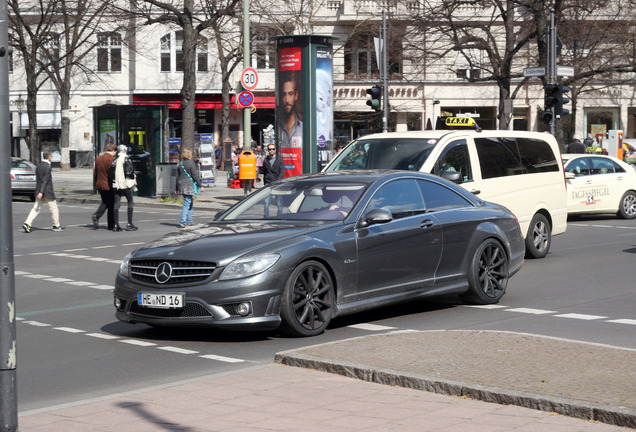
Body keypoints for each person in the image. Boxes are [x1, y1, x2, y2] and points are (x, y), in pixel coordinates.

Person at [22, 150, 64, 233]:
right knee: (54, 209)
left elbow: (39, 180)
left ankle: (27, 223)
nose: (51, 157)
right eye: (51, 156)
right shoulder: (48, 166)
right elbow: (45, 180)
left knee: (36, 208)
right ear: (48, 157)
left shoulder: (39, 165)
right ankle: (56, 225)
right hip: (47, 191)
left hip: (39, 190)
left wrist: (39, 191)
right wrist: (42, 192)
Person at [110, 145, 138, 232]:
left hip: (115, 184)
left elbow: (110, 173)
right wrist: (133, 175)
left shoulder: (115, 161)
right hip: (124, 184)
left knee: (117, 203)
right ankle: (129, 223)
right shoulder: (126, 159)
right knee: (130, 201)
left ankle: (115, 224)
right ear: (125, 151)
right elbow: (129, 172)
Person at [92, 143, 117, 230]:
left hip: (100, 184)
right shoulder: (111, 159)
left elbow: (95, 173)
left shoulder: (98, 158)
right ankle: (110, 224)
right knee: (111, 204)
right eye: (115, 152)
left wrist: (96, 184)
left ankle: (97, 215)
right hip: (108, 185)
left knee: (105, 202)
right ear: (113, 151)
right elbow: (112, 173)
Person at [176, 148, 200, 228]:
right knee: (187, 203)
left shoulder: (180, 163)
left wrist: (176, 188)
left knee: (189, 201)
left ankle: (189, 220)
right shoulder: (191, 163)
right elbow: (194, 175)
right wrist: (200, 184)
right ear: (189, 155)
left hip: (182, 185)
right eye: (191, 154)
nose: (192, 155)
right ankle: (182, 222)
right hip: (189, 185)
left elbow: (177, 176)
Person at [277, 73, 303, 148]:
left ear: (296, 95)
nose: (287, 100)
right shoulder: (278, 128)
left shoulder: (303, 129)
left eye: (290, 94)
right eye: (284, 94)